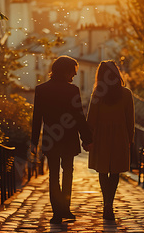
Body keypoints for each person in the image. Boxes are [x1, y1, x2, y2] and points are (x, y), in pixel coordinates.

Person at [31, 55, 93, 224]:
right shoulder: (72, 90)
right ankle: (65, 207)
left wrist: (34, 141)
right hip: (68, 138)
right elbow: (79, 116)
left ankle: (57, 212)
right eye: (72, 73)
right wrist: (87, 138)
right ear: (65, 71)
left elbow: (37, 117)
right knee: (68, 173)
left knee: (53, 175)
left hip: (51, 138)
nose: (73, 76)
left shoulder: (41, 89)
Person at [87, 60, 135, 220]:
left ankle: (105, 202)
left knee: (102, 171)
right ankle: (109, 203)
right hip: (119, 136)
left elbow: (91, 118)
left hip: (101, 136)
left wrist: (88, 138)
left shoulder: (97, 94)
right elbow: (130, 120)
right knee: (114, 172)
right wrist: (130, 138)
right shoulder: (126, 94)